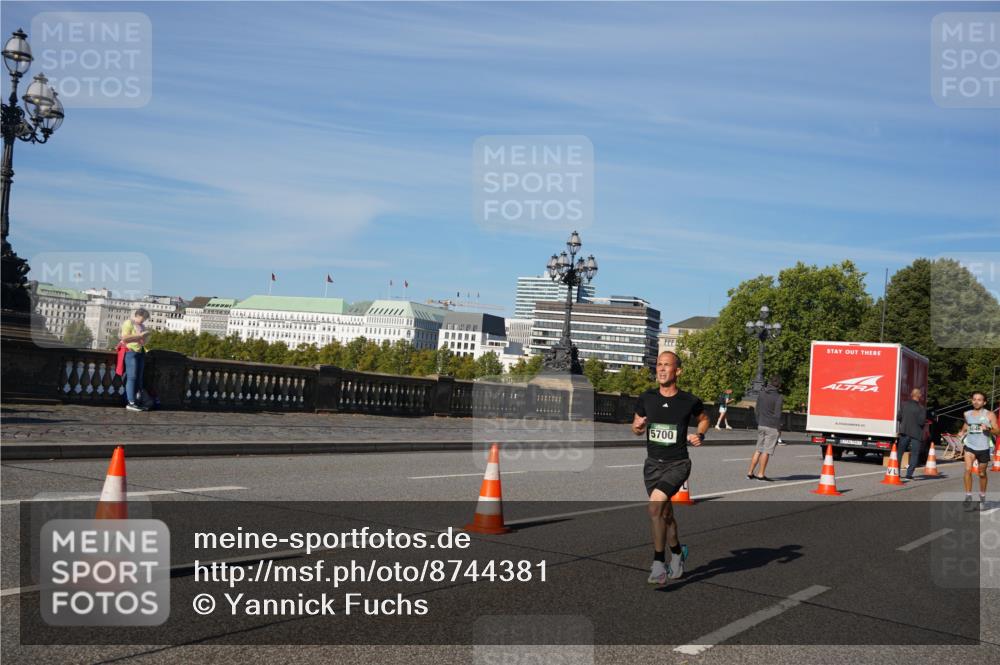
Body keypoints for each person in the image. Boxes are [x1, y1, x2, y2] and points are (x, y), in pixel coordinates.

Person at [632, 351, 710, 585]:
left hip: (678, 464)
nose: (661, 369)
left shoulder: (689, 400)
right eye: (658, 365)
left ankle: (658, 564)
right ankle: (677, 553)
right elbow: (636, 427)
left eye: (667, 365)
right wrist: (638, 426)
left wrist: (701, 434)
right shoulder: (646, 398)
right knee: (665, 514)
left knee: (655, 508)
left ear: (678, 371)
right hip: (652, 465)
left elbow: (704, 418)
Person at [957, 391, 999, 510]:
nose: (976, 401)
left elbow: (998, 431)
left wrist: (989, 429)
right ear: (972, 401)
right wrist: (962, 431)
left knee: (982, 473)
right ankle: (968, 495)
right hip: (970, 446)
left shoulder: (990, 415)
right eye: (974, 399)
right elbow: (966, 425)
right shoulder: (967, 413)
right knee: (968, 469)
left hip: (984, 447)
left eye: (979, 399)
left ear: (984, 402)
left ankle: (982, 496)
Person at [747, 375, 783, 481]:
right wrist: (779, 428)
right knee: (766, 451)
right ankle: (761, 474)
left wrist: (759, 421)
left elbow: (757, 409)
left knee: (758, 449)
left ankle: (750, 472)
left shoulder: (762, 393)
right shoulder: (779, 397)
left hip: (761, 424)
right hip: (772, 426)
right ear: (779, 385)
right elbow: (777, 415)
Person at [120, 308, 151, 411]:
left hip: (140, 352)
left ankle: (137, 401)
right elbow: (124, 338)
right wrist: (140, 335)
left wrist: (145, 337)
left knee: (139, 378)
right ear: (137, 315)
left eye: (145, 319)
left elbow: (142, 342)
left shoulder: (142, 326)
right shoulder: (128, 323)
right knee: (132, 377)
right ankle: (131, 402)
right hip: (131, 351)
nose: (143, 321)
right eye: (143, 319)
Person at [896, 388, 927, 480]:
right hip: (916, 433)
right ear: (919, 396)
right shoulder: (921, 408)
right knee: (914, 454)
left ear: (911, 395)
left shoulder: (904, 405)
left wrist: (905, 422)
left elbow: (899, 417)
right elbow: (921, 422)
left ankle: (896, 472)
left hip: (904, 431)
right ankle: (909, 474)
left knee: (900, 453)